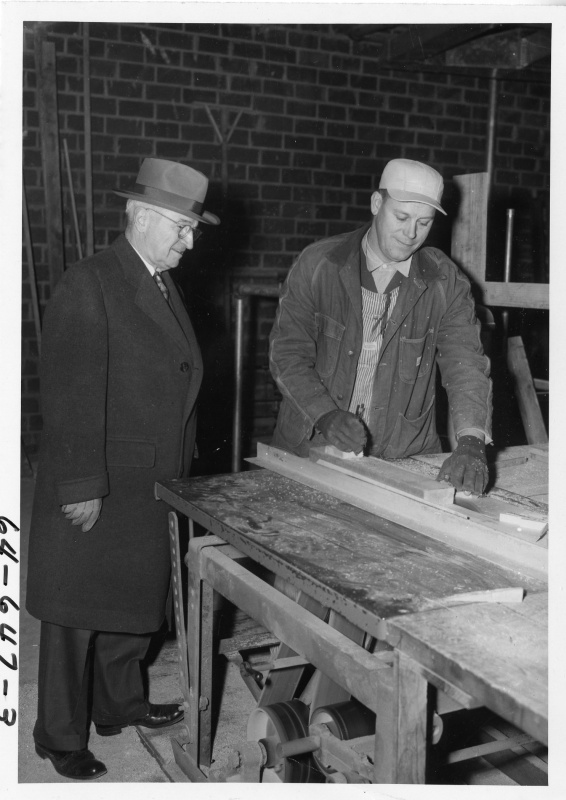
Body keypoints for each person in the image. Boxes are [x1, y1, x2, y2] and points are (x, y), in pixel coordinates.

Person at [26, 158, 220, 780]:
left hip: (149, 477)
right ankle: (58, 734)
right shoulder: (90, 282)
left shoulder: (159, 281)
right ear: (140, 217)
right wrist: (82, 485)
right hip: (101, 476)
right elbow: (70, 392)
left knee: (134, 602)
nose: (190, 242)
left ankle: (119, 703)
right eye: (181, 227)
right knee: (74, 613)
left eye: (193, 230)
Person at [269, 158, 492, 496]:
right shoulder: (319, 265)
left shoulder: (445, 281)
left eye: (424, 222)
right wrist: (324, 414)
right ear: (376, 203)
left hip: (402, 458)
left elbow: (467, 364)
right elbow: (287, 354)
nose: (411, 233)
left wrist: (472, 440)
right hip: (309, 450)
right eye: (401, 217)